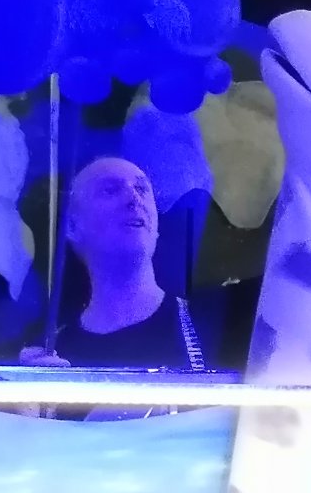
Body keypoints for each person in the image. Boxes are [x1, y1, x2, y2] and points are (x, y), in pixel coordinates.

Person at [19, 156, 210, 373]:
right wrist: (33, 390)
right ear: (71, 226)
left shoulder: (217, 324)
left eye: (141, 189)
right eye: (110, 190)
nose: (134, 198)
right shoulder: (49, 355)